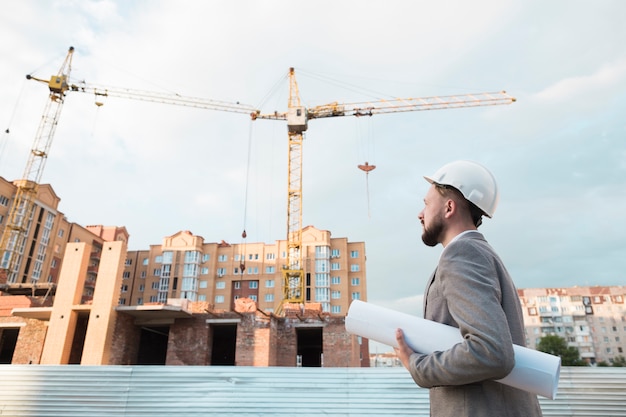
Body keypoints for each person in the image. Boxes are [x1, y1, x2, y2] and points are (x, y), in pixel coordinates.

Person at [394, 160, 543, 417]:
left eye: (427, 204)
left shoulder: (463, 254)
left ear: (449, 207)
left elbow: (491, 352)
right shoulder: (481, 253)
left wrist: (417, 365)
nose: (420, 214)